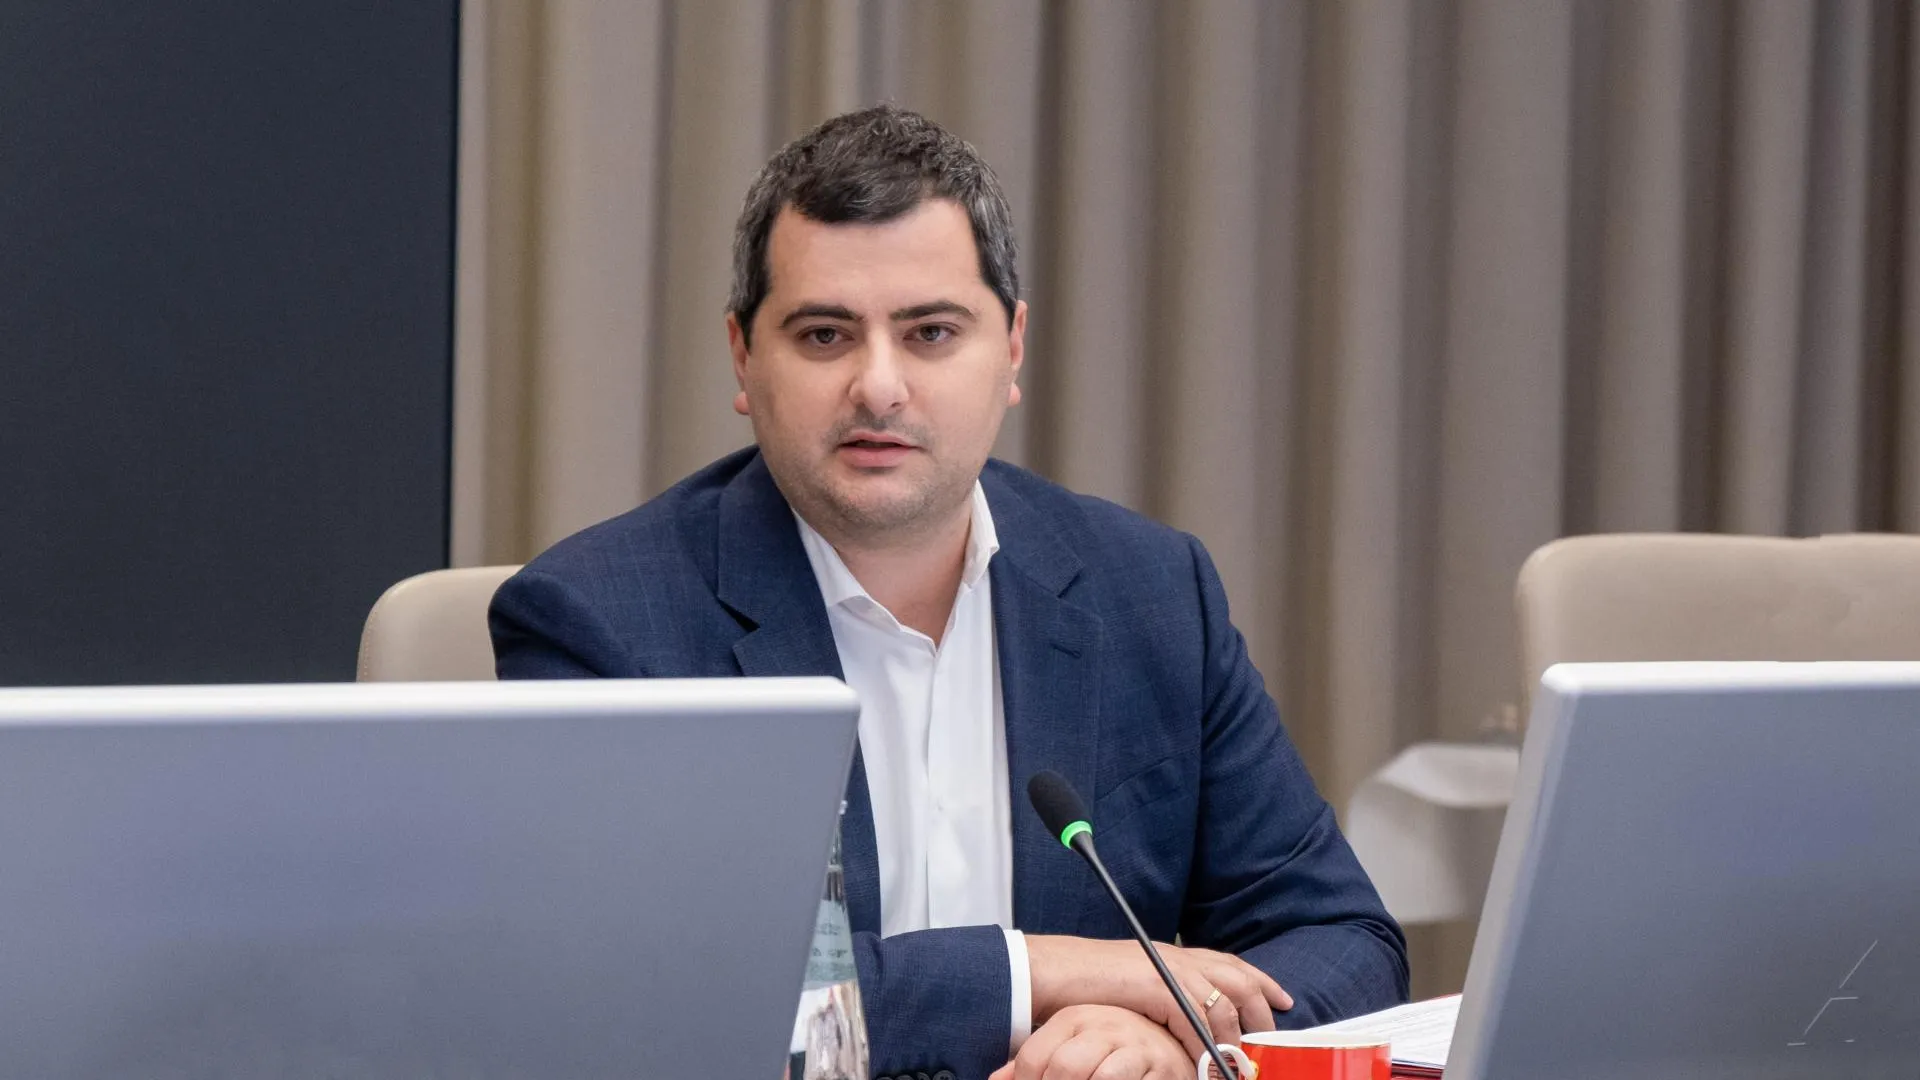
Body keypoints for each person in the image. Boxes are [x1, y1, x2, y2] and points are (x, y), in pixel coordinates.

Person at [490, 104, 1408, 1080]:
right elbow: (639, 1003)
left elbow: (1344, 942)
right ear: (743, 358)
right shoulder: (602, 623)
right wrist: (1036, 974)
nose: (879, 387)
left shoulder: (1148, 591)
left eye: (931, 332)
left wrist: (1174, 1034)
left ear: (1011, 350)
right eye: (824, 334)